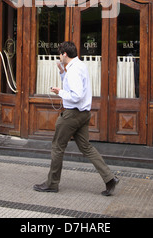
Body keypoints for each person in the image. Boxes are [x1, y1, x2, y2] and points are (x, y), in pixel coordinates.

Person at [33, 41, 119, 196]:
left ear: (65, 54)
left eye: (60, 53)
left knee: (57, 147)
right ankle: (110, 178)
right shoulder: (79, 66)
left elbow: (76, 95)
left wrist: (60, 92)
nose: (59, 56)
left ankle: (52, 184)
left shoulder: (73, 71)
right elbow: (74, 86)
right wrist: (62, 73)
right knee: (86, 147)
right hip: (83, 114)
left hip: (72, 114)